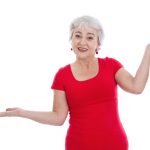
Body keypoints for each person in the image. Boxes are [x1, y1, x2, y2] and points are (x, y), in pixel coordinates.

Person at [0, 15, 150, 150]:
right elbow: (58, 117)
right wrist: (22, 113)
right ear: (71, 40)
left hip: (114, 144)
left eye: (90, 37)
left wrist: (148, 50)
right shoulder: (62, 75)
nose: (82, 42)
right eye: (77, 36)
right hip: (78, 145)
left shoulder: (111, 65)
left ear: (98, 44)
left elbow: (136, 87)